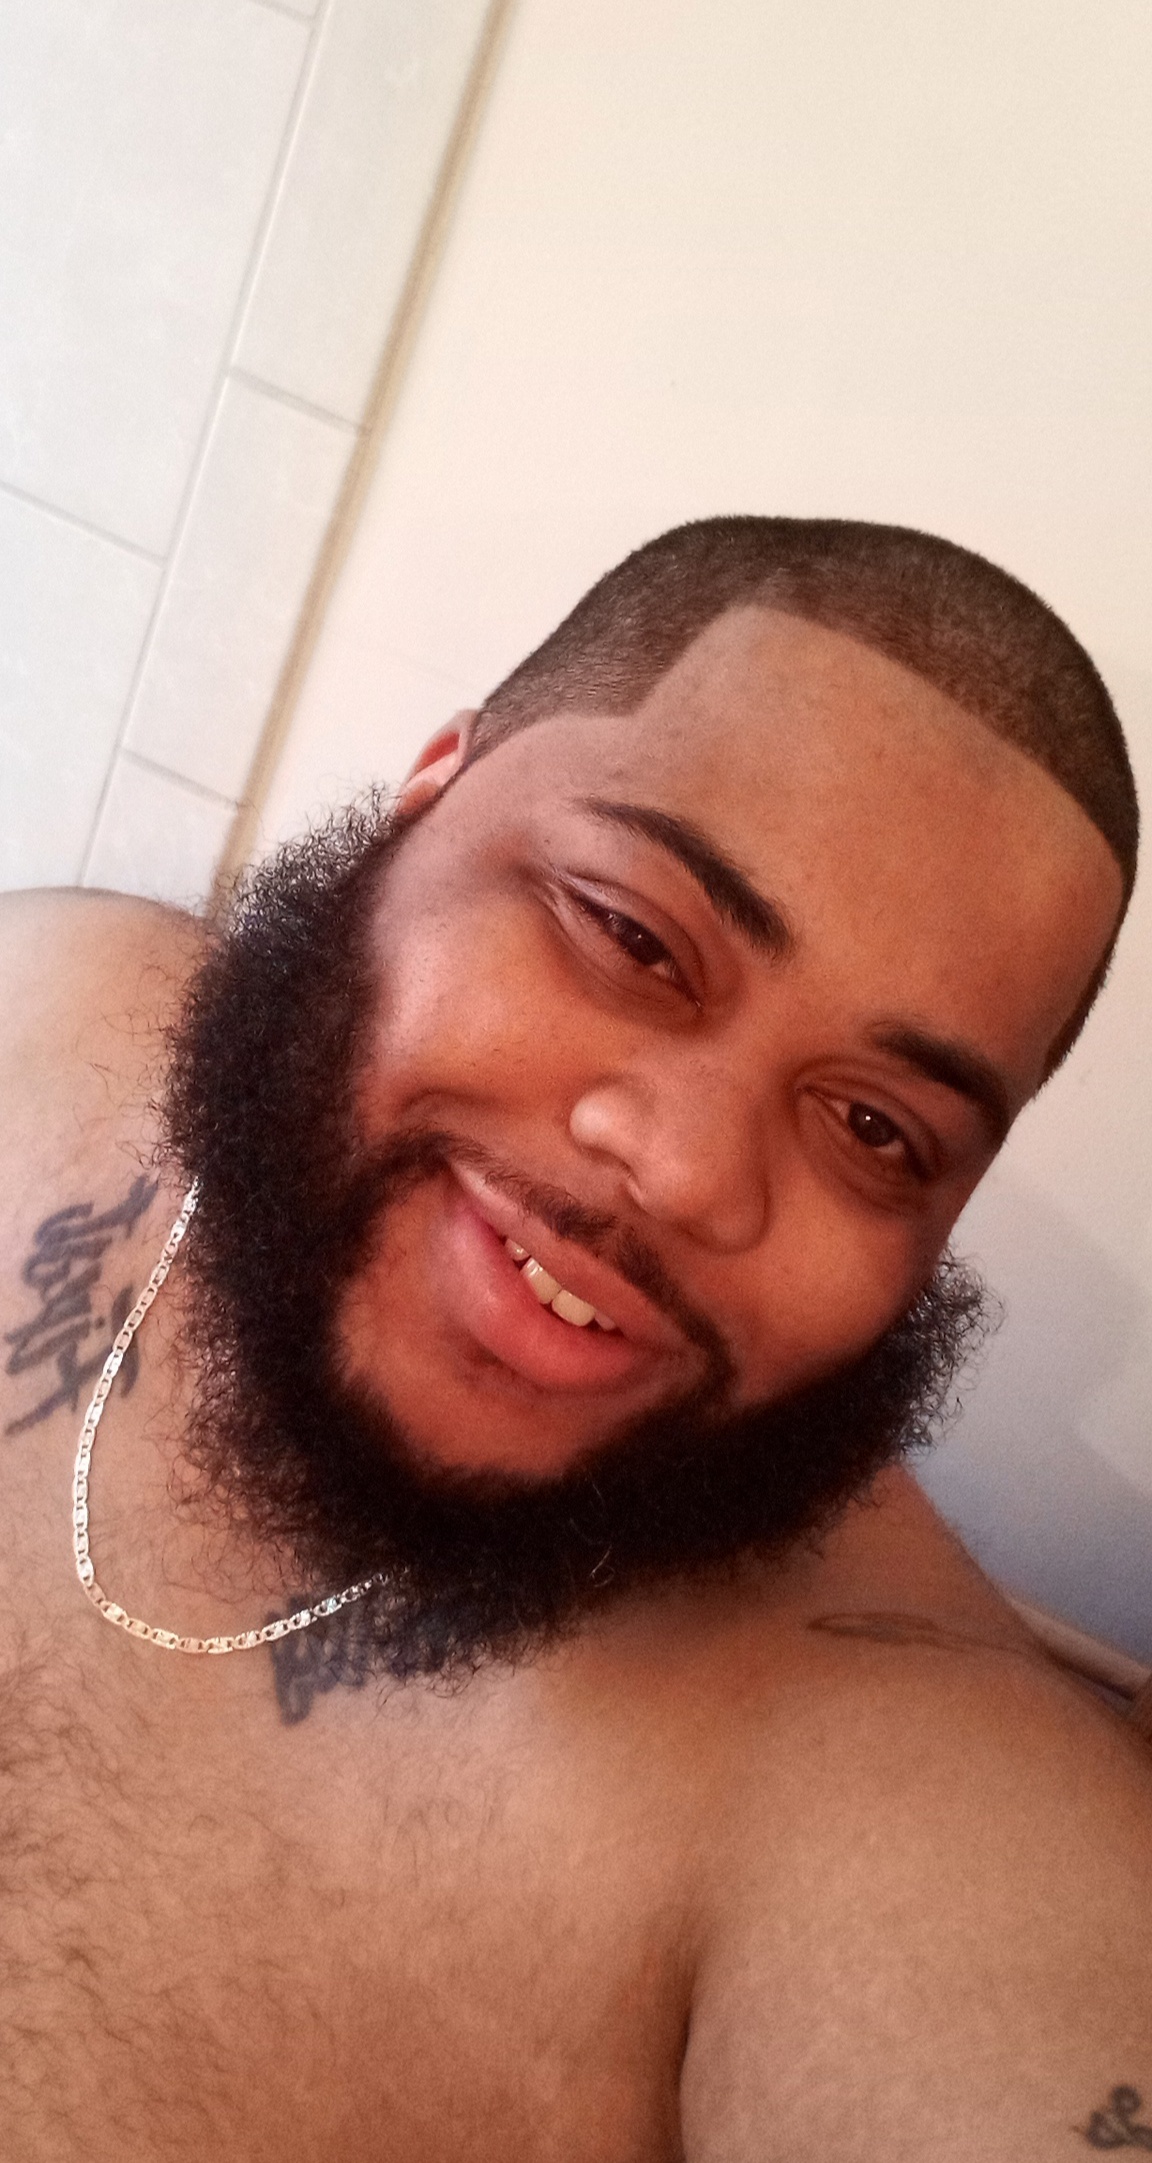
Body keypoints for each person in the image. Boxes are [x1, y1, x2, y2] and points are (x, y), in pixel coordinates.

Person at [1, 515, 1148, 2159]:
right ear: (435, 788)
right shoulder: (51, 995)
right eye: (633, 935)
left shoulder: (892, 1761)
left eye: (876, 1130)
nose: (686, 1172)